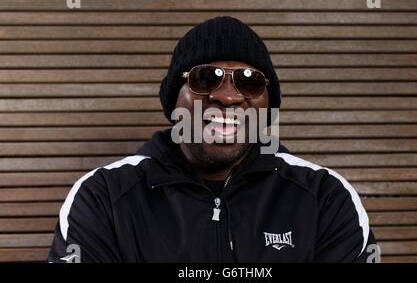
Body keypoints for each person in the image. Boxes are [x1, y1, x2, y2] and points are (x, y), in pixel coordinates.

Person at [48, 16, 377, 263]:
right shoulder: (103, 196)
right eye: (206, 78)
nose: (228, 97)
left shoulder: (325, 197)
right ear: (174, 100)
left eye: (250, 81)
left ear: (267, 106)